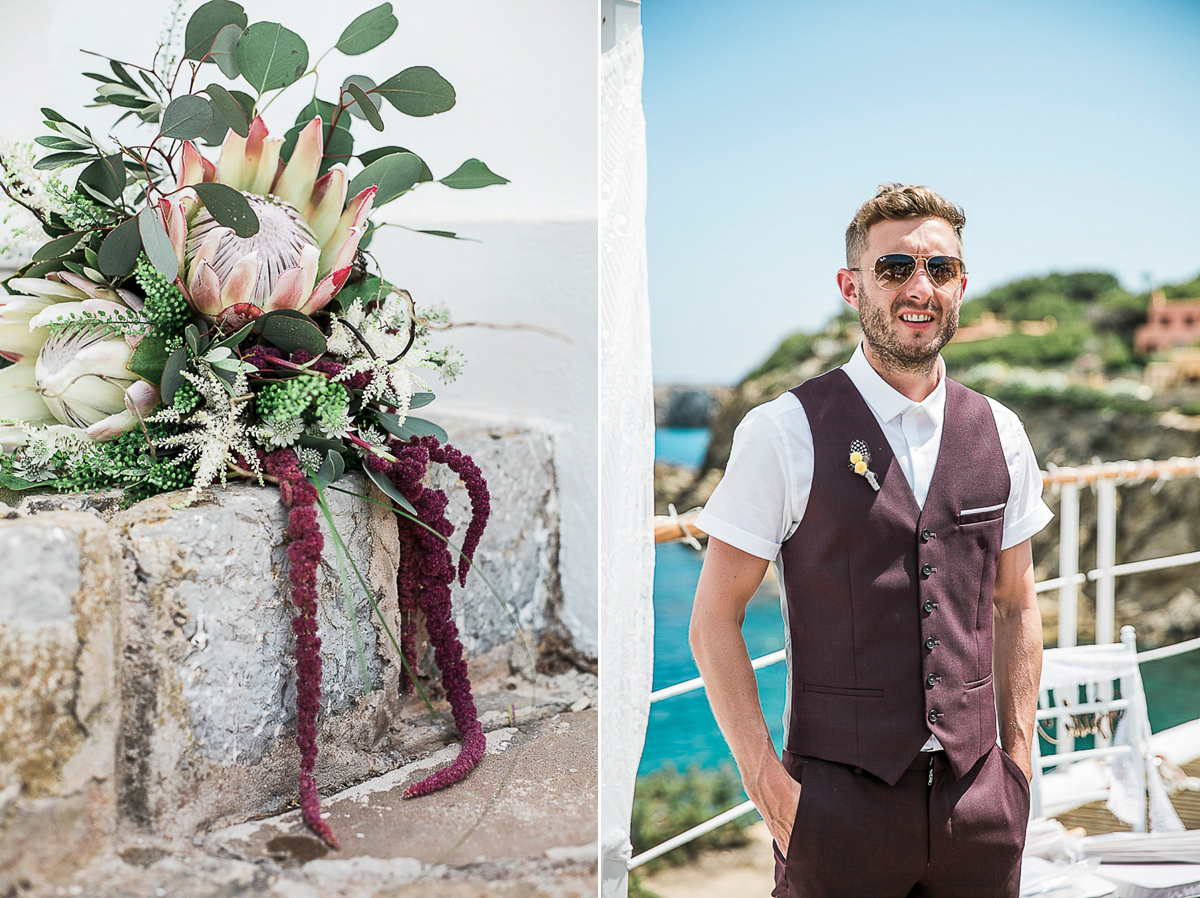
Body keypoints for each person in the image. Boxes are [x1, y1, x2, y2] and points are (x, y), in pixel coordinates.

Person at [690, 183, 1053, 898]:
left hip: (979, 808)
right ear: (851, 286)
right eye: (895, 268)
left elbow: (1016, 605)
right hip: (834, 812)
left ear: (961, 287)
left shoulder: (1002, 433)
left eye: (940, 269)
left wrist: (1017, 761)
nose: (920, 287)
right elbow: (713, 623)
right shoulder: (782, 431)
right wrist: (768, 785)